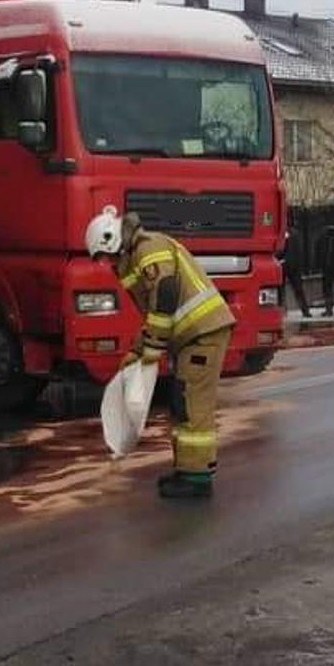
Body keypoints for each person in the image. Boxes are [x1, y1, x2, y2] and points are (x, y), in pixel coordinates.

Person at [85, 208, 237, 498]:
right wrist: (136, 351)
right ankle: (188, 468)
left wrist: (152, 349)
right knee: (181, 402)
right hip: (192, 336)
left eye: (106, 256)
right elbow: (153, 314)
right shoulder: (134, 258)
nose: (107, 263)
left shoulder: (148, 249)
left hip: (202, 333)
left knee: (192, 404)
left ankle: (197, 477)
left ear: (112, 240)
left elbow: (165, 296)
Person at [280, 222, 311, 318]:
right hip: (292, 266)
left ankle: (283, 310)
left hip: (287, 265)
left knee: (285, 290)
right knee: (297, 290)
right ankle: (304, 310)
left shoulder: (285, 234)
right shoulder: (295, 234)